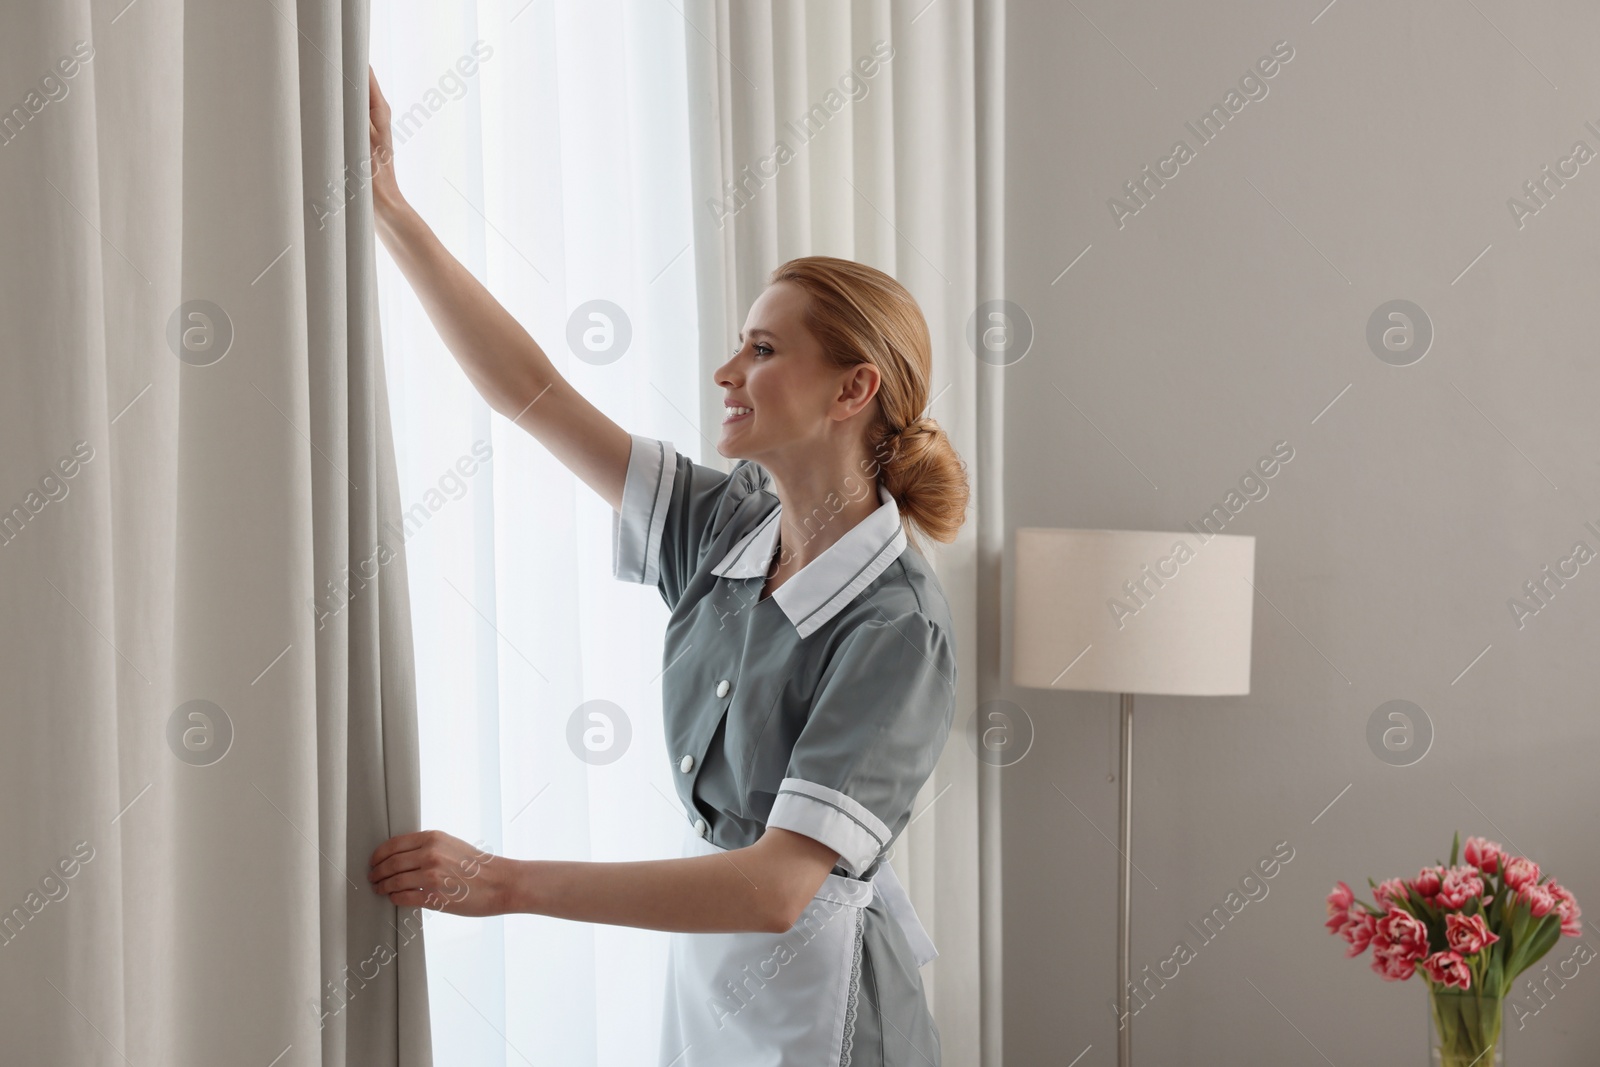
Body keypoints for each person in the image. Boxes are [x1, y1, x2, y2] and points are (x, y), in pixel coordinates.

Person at [362, 67, 970, 1067]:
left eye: (763, 348)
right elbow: (534, 392)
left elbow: (776, 887)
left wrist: (507, 880)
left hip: (832, 1016)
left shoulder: (897, 626)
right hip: (714, 981)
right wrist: (390, 209)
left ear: (851, 388)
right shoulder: (723, 526)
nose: (727, 371)